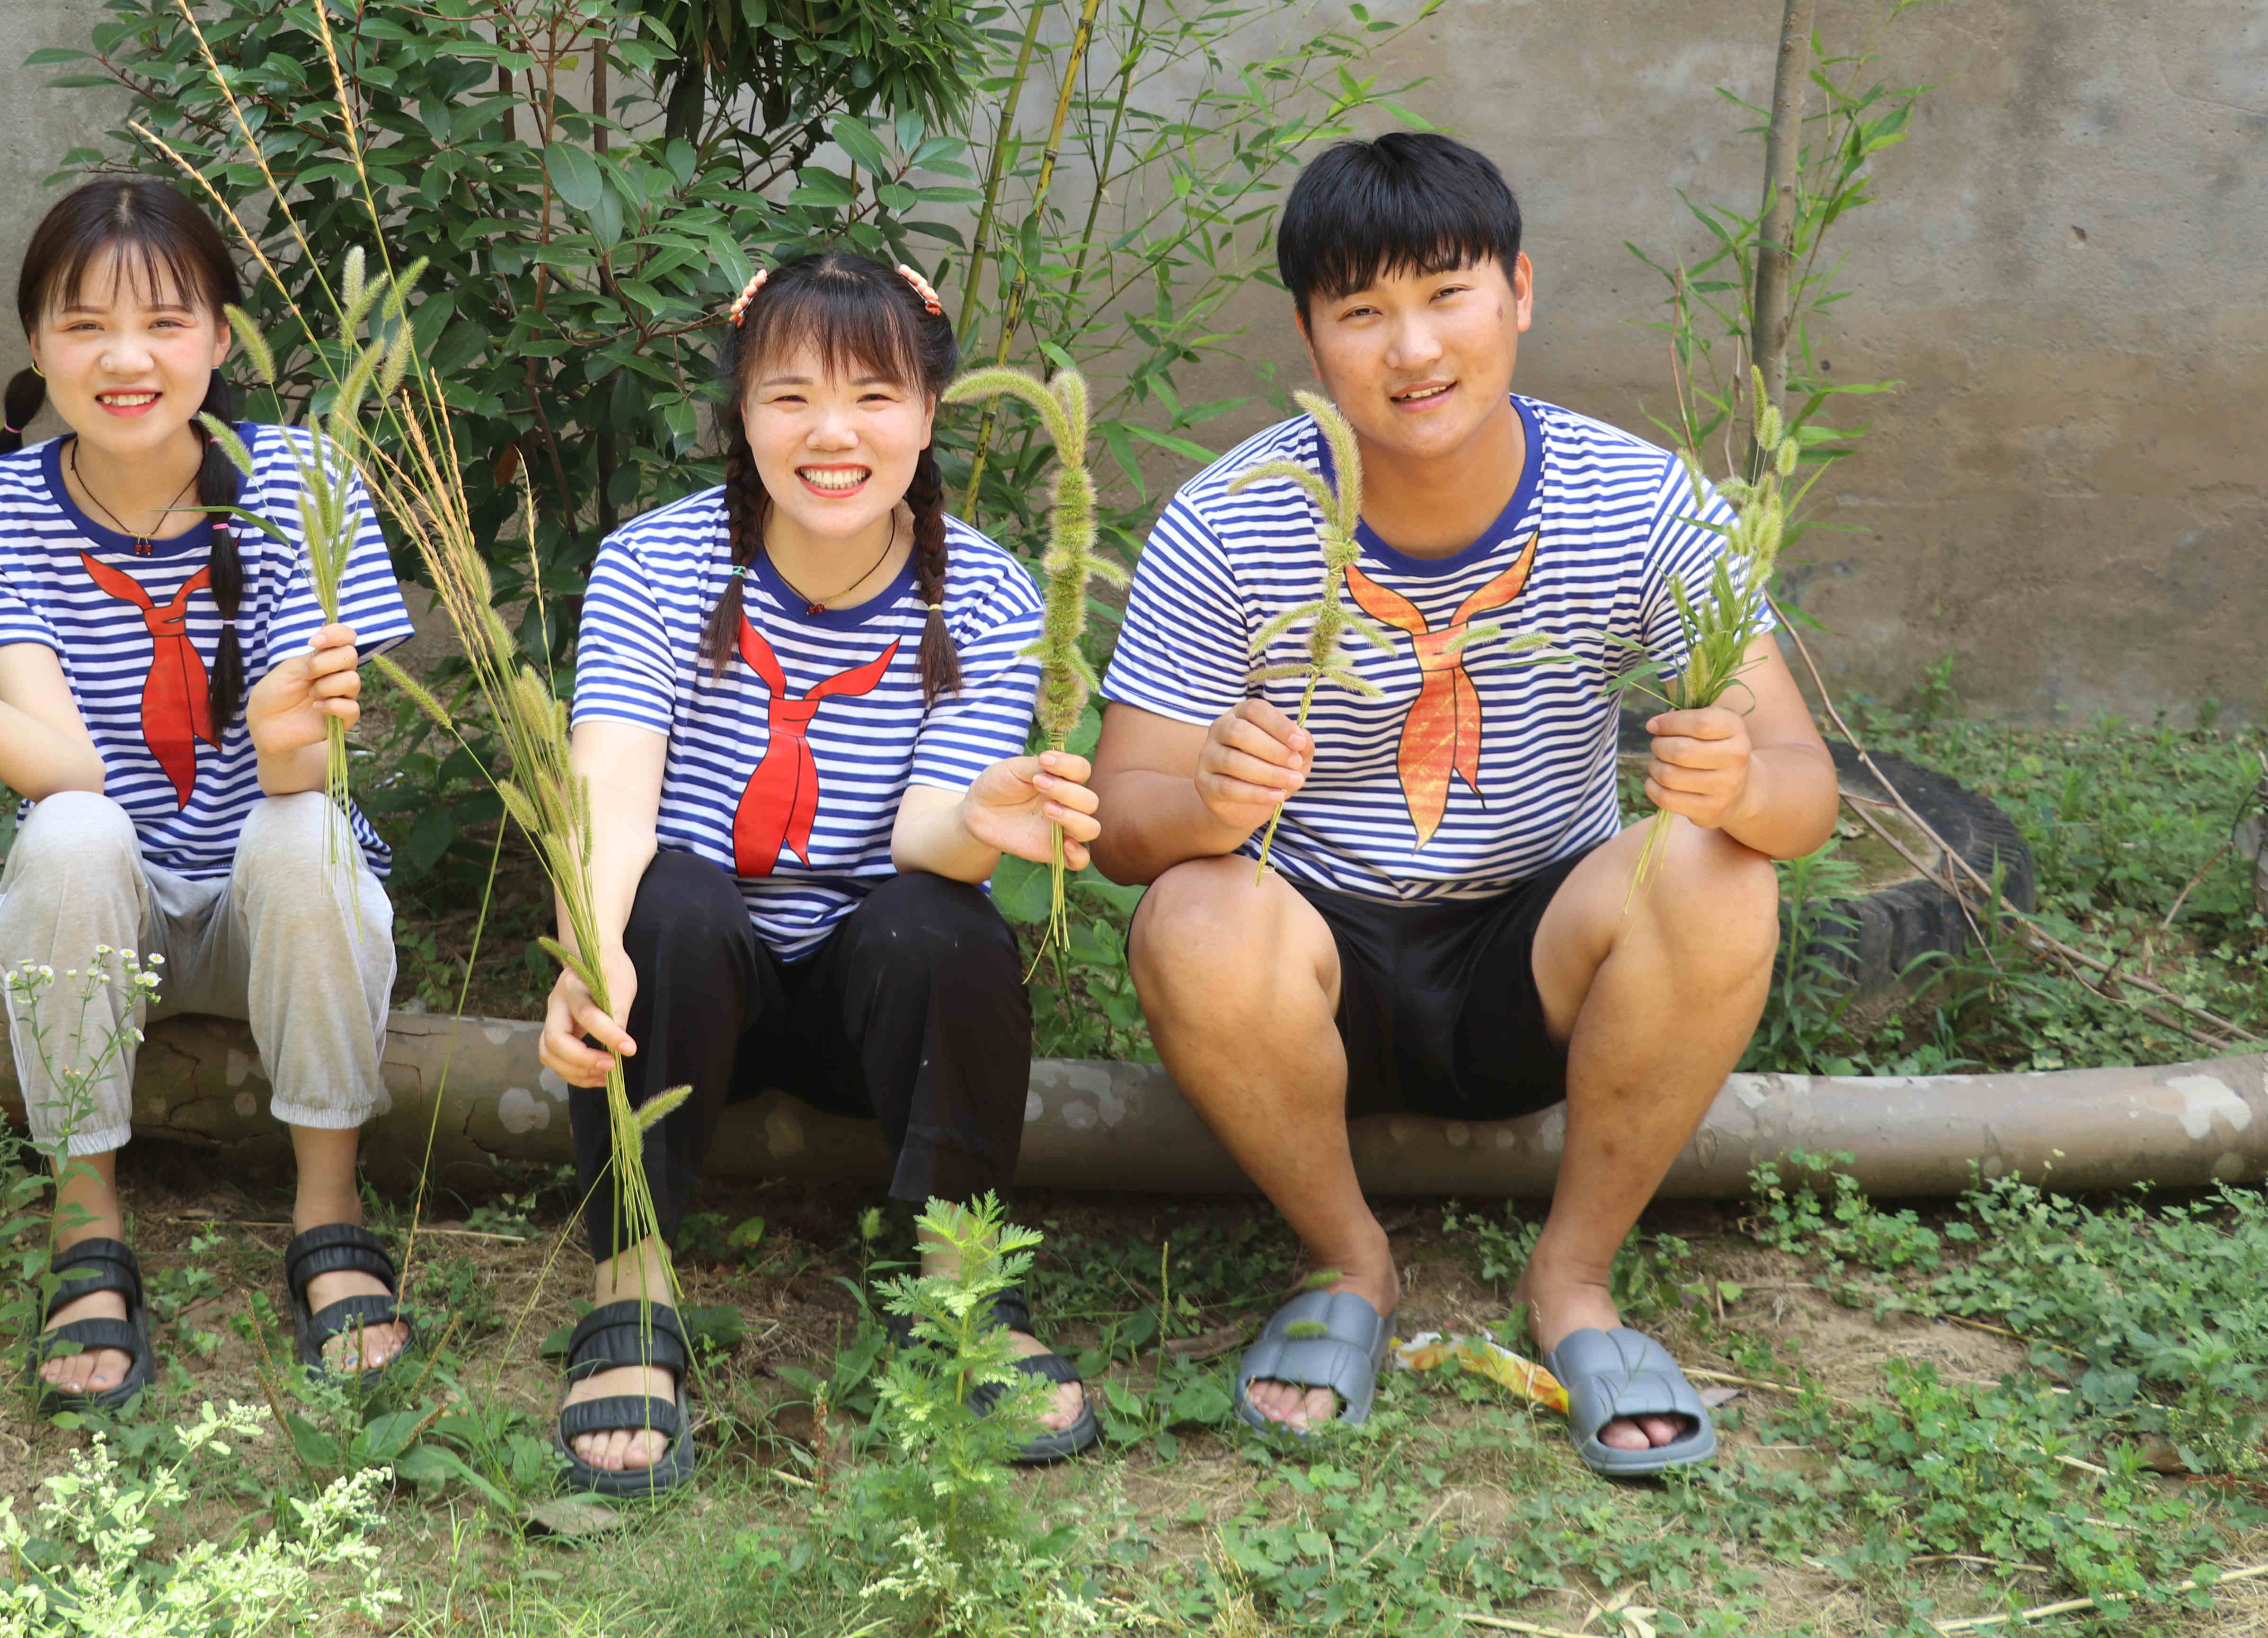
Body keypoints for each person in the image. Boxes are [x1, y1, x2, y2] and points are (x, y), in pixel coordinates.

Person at [1088, 133, 1836, 1476]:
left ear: (1521, 293)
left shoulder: (1634, 496)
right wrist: (1204, 800)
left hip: (1534, 961)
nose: (1413, 346)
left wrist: (1741, 782)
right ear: (1311, 337)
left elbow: (1805, 790)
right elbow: (1125, 828)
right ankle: (1347, 1263)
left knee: (1723, 868)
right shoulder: (1231, 520)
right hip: (1311, 969)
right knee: (1194, 916)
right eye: (1362, 311)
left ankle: (1576, 1282)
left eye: (1448, 292)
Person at [0, 178, 415, 1416]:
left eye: (165, 322)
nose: (126, 357)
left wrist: (282, 735)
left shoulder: (310, 482)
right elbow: (67, 770)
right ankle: (85, 1221)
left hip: (274, 887)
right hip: (109, 908)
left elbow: (311, 774)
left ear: (220, 338)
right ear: (38, 343)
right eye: (84, 324)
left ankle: (328, 1204)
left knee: (308, 828)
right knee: (78, 829)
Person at [540, 251, 1104, 1494]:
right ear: (742, 416)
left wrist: (989, 813)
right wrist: (587, 955)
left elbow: (923, 844)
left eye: (874, 394)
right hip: (694, 998)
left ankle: (956, 1285)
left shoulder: (993, 592)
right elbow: (612, 809)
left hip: (871, 1002)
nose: (832, 432)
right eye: (790, 395)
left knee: (940, 927)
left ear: (930, 411)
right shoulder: (655, 566)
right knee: (670, 901)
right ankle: (631, 1283)